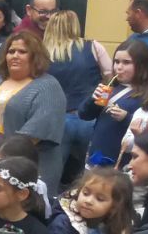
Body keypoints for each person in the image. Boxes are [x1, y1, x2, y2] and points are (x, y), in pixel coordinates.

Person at [0, 31, 68, 192]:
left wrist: (1, 156)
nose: (15, 56)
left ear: (35, 57)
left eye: (22, 52)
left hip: (29, 164)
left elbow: (35, 134)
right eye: (11, 51)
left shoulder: (48, 87)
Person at [45, 10, 112, 173]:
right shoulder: (93, 46)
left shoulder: (42, 52)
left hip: (56, 121)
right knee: (92, 172)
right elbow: (111, 77)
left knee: (51, 172)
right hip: (90, 118)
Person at [76, 39, 148, 169]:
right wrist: (93, 100)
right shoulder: (111, 88)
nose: (119, 67)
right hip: (97, 155)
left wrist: (126, 117)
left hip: (120, 160)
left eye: (126, 62)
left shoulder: (146, 95)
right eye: (116, 62)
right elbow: (84, 114)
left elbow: (147, 128)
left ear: (142, 65)